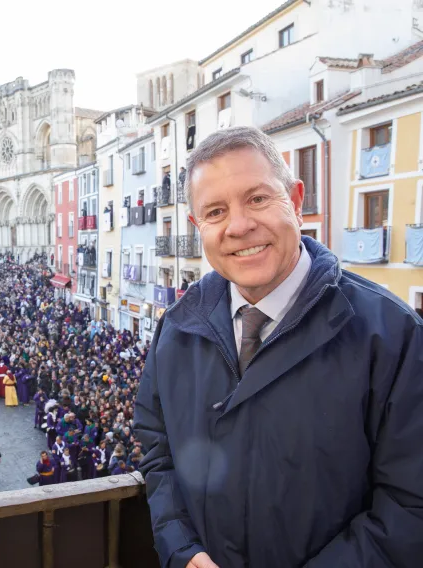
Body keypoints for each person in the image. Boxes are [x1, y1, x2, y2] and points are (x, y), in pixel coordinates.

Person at [134, 126, 423, 568]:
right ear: (198, 227)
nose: (239, 226)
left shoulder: (392, 334)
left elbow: (411, 503)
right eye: (215, 211)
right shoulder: (175, 329)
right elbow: (158, 455)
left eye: (257, 198)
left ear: (296, 199)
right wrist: (182, 549)